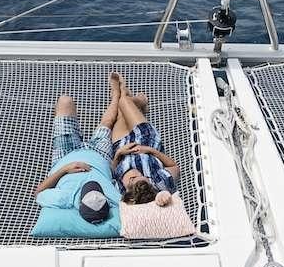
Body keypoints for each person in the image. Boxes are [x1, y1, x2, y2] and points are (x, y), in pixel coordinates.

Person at [33, 81, 124, 222]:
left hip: (66, 155)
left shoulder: (65, 198)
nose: (95, 194)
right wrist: (116, 158)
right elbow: (114, 175)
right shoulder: (115, 198)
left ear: (80, 202)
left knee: (65, 101)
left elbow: (39, 192)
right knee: (108, 122)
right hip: (100, 156)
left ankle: (59, 117)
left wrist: (65, 169)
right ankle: (116, 95)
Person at [109, 72, 180, 206]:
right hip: (145, 138)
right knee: (123, 102)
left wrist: (118, 154)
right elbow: (174, 166)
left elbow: (111, 174)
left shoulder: (122, 191)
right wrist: (150, 150)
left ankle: (130, 102)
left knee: (120, 114)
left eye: (131, 180)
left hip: (120, 144)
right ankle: (135, 99)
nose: (132, 177)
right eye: (136, 177)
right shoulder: (160, 182)